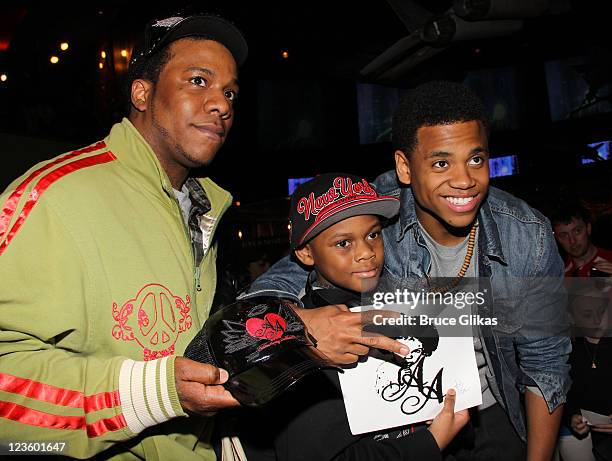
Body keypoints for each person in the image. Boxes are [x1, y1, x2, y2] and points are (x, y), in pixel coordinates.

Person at [243, 81, 571, 461]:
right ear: (405, 167)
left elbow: (545, 364)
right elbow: (285, 280)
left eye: (476, 159)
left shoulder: (526, 234)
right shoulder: (374, 213)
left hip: (492, 412)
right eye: (441, 163)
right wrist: (294, 322)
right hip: (396, 424)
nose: (464, 180)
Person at [0, 13, 249, 459]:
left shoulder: (204, 209)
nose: (222, 104)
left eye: (230, 92)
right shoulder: (51, 197)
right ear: (141, 92)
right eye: (198, 81)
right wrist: (149, 393)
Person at [238, 172, 468, 461]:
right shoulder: (302, 343)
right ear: (305, 253)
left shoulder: (405, 304)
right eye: (343, 243)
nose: (366, 253)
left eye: (373, 234)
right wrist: (431, 442)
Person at [562, 286, 612, 460]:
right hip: (593, 440)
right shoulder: (566, 352)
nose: (598, 320)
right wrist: (572, 416)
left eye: (602, 311)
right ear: (571, 318)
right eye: (587, 315)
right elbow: (566, 394)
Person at [551, 203, 612, 277]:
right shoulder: (558, 276)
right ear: (557, 238)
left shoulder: (609, 260)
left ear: (588, 228)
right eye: (564, 235)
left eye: (577, 231)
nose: (572, 241)